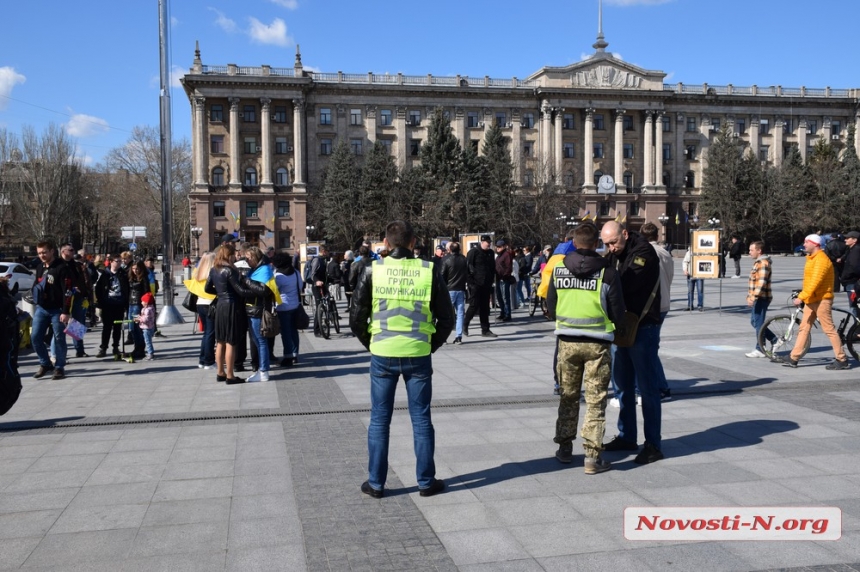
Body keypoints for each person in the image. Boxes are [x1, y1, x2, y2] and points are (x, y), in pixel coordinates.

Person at [350, 220, 454, 498]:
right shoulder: (428, 271)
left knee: (379, 420)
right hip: (417, 354)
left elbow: (356, 318)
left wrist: (372, 343)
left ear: (385, 243)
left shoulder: (373, 270)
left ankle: (375, 483)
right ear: (413, 242)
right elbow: (448, 318)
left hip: (383, 353)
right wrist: (429, 345)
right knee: (420, 419)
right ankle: (426, 481)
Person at [546, 223, 626, 473]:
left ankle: (565, 448)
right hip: (597, 344)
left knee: (568, 397)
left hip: (567, 343)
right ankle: (592, 456)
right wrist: (619, 329)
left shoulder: (559, 269)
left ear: (574, 243)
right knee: (595, 400)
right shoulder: (608, 273)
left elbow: (550, 306)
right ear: (595, 244)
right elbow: (617, 311)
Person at [600, 221, 665, 465]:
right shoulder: (614, 254)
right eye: (606, 244)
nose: (611, 248)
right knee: (622, 386)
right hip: (623, 327)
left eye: (613, 242)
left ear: (625, 234)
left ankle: (653, 445)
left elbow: (625, 283)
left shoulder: (643, 252)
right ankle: (627, 436)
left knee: (647, 390)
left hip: (643, 325)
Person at [774, 234, 850, 370]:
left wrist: (801, 297)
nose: (804, 245)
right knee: (803, 328)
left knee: (829, 330)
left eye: (806, 242)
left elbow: (815, 281)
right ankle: (794, 357)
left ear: (815, 244)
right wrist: (803, 294)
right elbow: (810, 281)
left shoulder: (821, 260)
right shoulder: (811, 258)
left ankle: (842, 359)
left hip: (822, 300)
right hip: (812, 299)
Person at [205, 243, 264, 384]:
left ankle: (220, 372)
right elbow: (241, 291)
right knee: (231, 341)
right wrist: (258, 293)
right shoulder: (229, 270)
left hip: (220, 306)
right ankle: (230, 375)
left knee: (220, 341)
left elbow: (207, 288)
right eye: (233, 254)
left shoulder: (214, 269)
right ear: (229, 255)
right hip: (231, 306)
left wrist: (221, 293)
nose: (234, 257)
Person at [30, 239, 74, 380]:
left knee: (59, 338)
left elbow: (68, 290)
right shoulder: (40, 267)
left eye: (44, 252)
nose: (42, 255)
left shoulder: (61, 267)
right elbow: (36, 284)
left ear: (52, 251)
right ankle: (45, 363)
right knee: (35, 337)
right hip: (42, 308)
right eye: (39, 253)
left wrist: (66, 311)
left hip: (58, 309)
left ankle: (59, 367)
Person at [639, 222, 673, 401]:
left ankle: (661, 388)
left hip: (651, 306)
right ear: (657, 236)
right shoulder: (666, 253)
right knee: (650, 347)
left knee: (647, 350)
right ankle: (657, 386)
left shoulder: (645, 254)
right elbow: (670, 277)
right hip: (664, 304)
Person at [243, 246, 278, 382]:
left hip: (259, 310)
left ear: (255, 257)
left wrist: (246, 281)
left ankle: (263, 371)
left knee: (261, 341)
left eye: (248, 258)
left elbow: (264, 290)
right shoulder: (255, 269)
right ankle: (262, 369)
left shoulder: (264, 270)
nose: (246, 260)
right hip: (253, 309)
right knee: (257, 341)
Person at [185, 252, 217, 369]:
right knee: (210, 333)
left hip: (200, 303)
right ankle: (209, 361)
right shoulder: (212, 272)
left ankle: (202, 360)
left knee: (206, 333)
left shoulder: (197, 272)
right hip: (210, 303)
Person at [95, 256, 129, 359]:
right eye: (116, 261)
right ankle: (103, 347)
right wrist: (101, 301)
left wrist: (125, 302)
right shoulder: (105, 274)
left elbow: (126, 287)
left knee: (117, 327)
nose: (119, 263)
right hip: (108, 305)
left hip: (119, 304)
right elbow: (98, 289)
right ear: (111, 262)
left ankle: (116, 347)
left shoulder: (123, 273)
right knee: (107, 327)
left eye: (120, 261)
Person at [745, 240, 774, 358]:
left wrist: (753, 297)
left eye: (752, 250)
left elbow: (761, 283)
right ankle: (774, 340)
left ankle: (760, 349)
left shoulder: (763, 263)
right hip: (758, 297)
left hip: (761, 298)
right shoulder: (758, 263)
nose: (749, 252)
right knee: (755, 322)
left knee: (759, 323)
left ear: (759, 250)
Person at [273, 252, 303, 367]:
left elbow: (275, 291)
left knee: (285, 333)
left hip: (282, 306)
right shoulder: (295, 272)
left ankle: (288, 356)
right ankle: (295, 354)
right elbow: (300, 286)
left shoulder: (278, 276)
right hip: (295, 305)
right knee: (293, 331)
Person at [464, 235, 497, 338]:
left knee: (485, 308)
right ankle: (465, 324)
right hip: (475, 283)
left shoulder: (491, 253)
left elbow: (492, 268)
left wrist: (493, 280)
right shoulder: (473, 252)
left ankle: (485, 329)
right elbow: (467, 268)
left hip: (486, 284)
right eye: (487, 243)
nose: (489, 244)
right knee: (473, 306)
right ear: (482, 242)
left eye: (490, 242)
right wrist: (470, 283)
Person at [440, 241, 467, 344]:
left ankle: (444, 336)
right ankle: (459, 336)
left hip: (449, 289)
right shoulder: (463, 259)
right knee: (460, 313)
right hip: (460, 288)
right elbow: (467, 273)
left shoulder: (447, 260)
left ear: (450, 249)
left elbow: (442, 275)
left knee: (446, 313)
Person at [127, 261, 151, 360]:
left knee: (137, 327)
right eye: (133, 268)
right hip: (131, 304)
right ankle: (137, 347)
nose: (135, 271)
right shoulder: (131, 278)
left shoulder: (144, 278)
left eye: (137, 268)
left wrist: (145, 306)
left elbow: (146, 293)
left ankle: (140, 348)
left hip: (138, 304)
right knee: (131, 327)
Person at [840, 230, 860, 316]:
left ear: (854, 240)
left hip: (852, 282)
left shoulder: (855, 250)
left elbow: (854, 267)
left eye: (848, 238)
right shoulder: (852, 249)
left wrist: (846, 277)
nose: (845, 240)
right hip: (851, 281)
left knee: (853, 307)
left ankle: (856, 327)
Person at [494, 239, 514, 322]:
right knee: (499, 297)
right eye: (497, 246)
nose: (498, 248)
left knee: (505, 297)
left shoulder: (506, 255)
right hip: (498, 279)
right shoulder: (499, 256)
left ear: (503, 247)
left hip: (504, 279)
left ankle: (507, 314)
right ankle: (503, 312)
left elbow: (508, 267)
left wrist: (505, 276)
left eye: (499, 246)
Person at [136, 292, 156, 360]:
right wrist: (140, 317)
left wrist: (139, 319)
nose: (141, 302)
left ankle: (150, 353)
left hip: (147, 328)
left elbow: (146, 319)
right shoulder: (150, 308)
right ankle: (151, 352)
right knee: (148, 341)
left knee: (147, 341)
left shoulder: (148, 310)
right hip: (149, 327)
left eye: (142, 301)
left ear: (146, 302)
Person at [683, 247, 704, 311]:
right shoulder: (689, 252)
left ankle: (700, 305)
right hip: (690, 274)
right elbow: (685, 261)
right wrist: (685, 270)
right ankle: (690, 305)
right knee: (690, 291)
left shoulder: (702, 251)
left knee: (700, 291)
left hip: (699, 274)